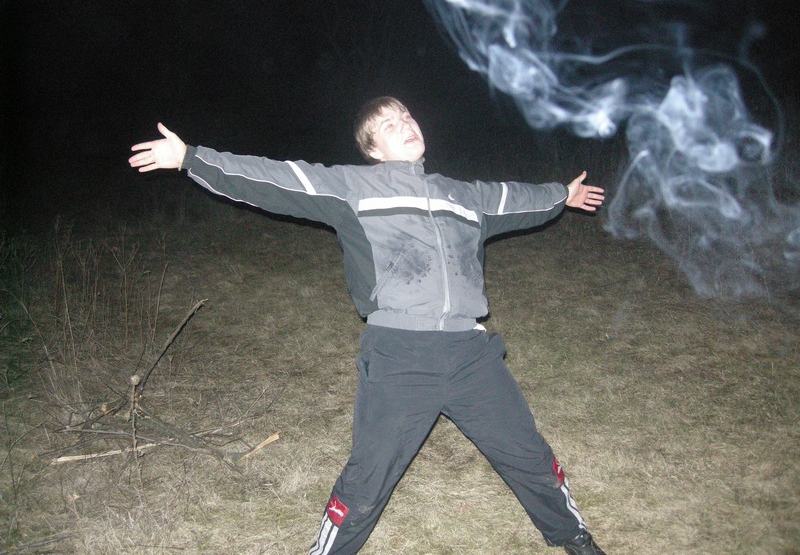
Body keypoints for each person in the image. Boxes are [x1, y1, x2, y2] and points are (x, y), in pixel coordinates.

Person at [130, 96, 607, 554]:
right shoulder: (353, 188)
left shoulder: (463, 196)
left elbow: (516, 198)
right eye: (388, 125)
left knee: (530, 456)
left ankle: (575, 538)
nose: (406, 124)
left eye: (406, 115)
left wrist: (562, 195)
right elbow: (274, 177)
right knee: (367, 481)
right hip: (400, 356)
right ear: (373, 150)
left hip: (471, 355)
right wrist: (191, 158)